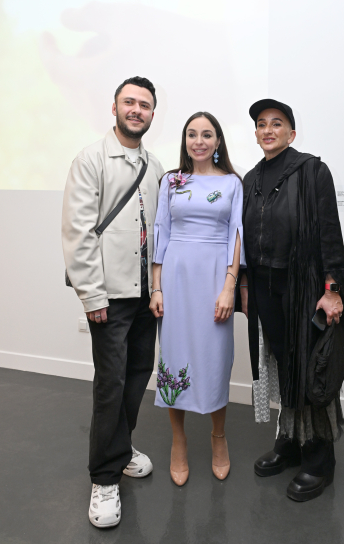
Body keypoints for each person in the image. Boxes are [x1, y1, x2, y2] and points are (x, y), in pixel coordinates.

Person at [62, 76, 164, 528]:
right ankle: (104, 477)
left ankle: (120, 449)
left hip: (145, 296)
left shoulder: (155, 166)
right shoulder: (90, 159)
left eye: (144, 104)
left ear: (152, 113)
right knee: (111, 383)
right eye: (129, 102)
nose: (136, 110)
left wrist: (159, 288)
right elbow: (78, 231)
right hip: (109, 296)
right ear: (115, 107)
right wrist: (91, 294)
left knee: (138, 374)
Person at [240, 98, 344, 502]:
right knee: (282, 366)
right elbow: (243, 239)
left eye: (277, 123)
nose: (268, 130)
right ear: (256, 134)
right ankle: (289, 441)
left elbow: (329, 232)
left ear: (291, 133)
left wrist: (332, 290)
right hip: (265, 288)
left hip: (303, 287)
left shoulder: (312, 170)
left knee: (308, 369)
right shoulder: (250, 178)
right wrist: (246, 288)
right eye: (261, 124)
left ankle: (320, 460)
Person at [149, 112, 244, 486]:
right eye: (192, 134)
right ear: (185, 140)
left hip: (214, 277)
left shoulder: (233, 183)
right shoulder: (171, 181)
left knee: (214, 357)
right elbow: (161, 232)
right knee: (175, 356)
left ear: (218, 141)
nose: (199, 141)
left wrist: (229, 286)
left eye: (207, 134)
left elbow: (236, 234)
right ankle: (179, 440)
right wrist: (157, 287)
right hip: (176, 278)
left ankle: (219, 437)